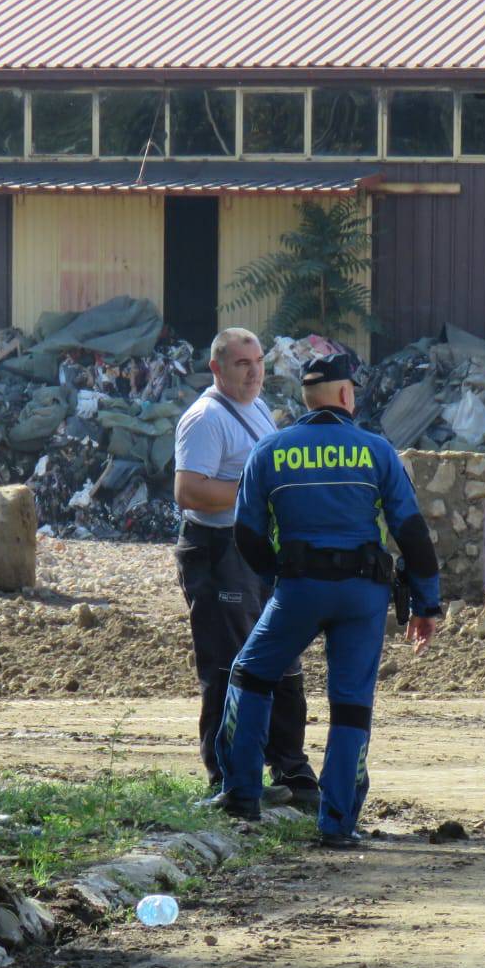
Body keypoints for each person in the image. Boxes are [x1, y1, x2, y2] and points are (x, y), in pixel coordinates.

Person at [209, 352, 442, 849]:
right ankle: (337, 824)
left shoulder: (271, 450)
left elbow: (246, 535)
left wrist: (279, 576)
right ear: (344, 396)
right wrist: (427, 604)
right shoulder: (377, 451)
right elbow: (412, 533)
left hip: (298, 589)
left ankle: (241, 793)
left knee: (250, 675)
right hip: (365, 596)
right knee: (352, 705)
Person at [173, 328, 318, 808]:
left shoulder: (255, 406)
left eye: (257, 360)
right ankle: (228, 778)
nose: (254, 371)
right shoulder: (206, 419)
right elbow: (190, 491)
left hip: (256, 549)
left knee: (279, 658)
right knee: (229, 664)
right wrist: (256, 495)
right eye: (242, 363)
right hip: (218, 551)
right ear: (217, 369)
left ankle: (290, 771)